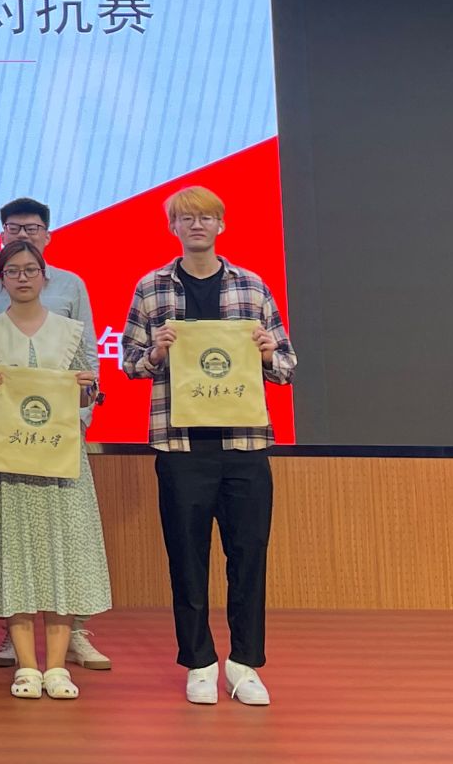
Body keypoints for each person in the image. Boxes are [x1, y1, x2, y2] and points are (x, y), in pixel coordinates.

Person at [121, 186, 295, 708]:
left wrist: (267, 352)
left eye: (206, 217)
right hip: (181, 447)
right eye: (186, 218)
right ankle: (199, 662)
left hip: (244, 444)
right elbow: (129, 361)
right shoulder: (151, 287)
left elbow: (287, 366)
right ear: (172, 227)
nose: (196, 225)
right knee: (187, 557)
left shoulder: (252, 286)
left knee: (249, 555)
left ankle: (245, 663)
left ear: (221, 225)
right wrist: (154, 353)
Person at [0, 197, 111, 673]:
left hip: (60, 453)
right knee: (13, 550)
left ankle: (60, 661)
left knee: (63, 548)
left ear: (45, 277)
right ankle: (23, 658)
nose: (23, 277)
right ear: (1, 279)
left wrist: (85, 396)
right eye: (13, 271)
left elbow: (90, 383)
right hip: (6, 455)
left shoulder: (69, 328)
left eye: (31, 270)